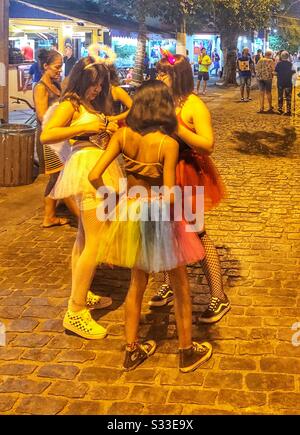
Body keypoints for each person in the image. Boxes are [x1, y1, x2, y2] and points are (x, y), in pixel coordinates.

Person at [89, 80, 213, 372]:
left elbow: (95, 174)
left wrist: (116, 197)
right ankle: (186, 351)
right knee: (181, 285)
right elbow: (169, 193)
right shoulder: (167, 143)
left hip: (131, 210)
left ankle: (131, 350)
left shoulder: (122, 136)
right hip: (159, 212)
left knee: (137, 282)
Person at [41, 56, 123, 339]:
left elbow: (101, 124)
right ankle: (75, 311)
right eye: (93, 84)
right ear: (81, 81)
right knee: (96, 242)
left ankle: (82, 293)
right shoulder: (71, 104)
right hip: (86, 170)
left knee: (84, 240)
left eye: (101, 85)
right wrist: (84, 129)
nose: (97, 90)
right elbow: (47, 135)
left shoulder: (88, 105)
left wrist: (109, 123)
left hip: (95, 167)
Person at [151, 54, 229, 324]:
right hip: (163, 174)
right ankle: (168, 282)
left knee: (197, 232)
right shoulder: (162, 100)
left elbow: (208, 144)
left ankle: (219, 296)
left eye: (164, 73)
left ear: (178, 76)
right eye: (158, 72)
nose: (159, 77)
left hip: (187, 174)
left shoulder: (194, 104)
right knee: (164, 231)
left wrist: (177, 128)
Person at [34, 49, 79, 228]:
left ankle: (49, 216)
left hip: (59, 137)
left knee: (55, 177)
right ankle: (81, 217)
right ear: (45, 66)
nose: (59, 70)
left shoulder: (57, 84)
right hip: (49, 139)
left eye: (60, 67)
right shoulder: (40, 87)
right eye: (57, 67)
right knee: (60, 176)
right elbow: (41, 115)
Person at [274, 51, 296, 116]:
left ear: (281, 56)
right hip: (288, 82)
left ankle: (280, 109)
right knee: (288, 97)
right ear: (288, 56)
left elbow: (275, 73)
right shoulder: (291, 64)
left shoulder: (278, 64)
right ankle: (288, 110)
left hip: (280, 82)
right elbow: (294, 73)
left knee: (280, 96)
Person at [255, 49, 275, 114]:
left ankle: (261, 108)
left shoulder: (260, 60)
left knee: (261, 93)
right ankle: (270, 107)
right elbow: (273, 70)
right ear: (270, 55)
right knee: (268, 92)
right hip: (268, 78)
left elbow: (256, 68)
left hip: (260, 78)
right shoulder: (270, 61)